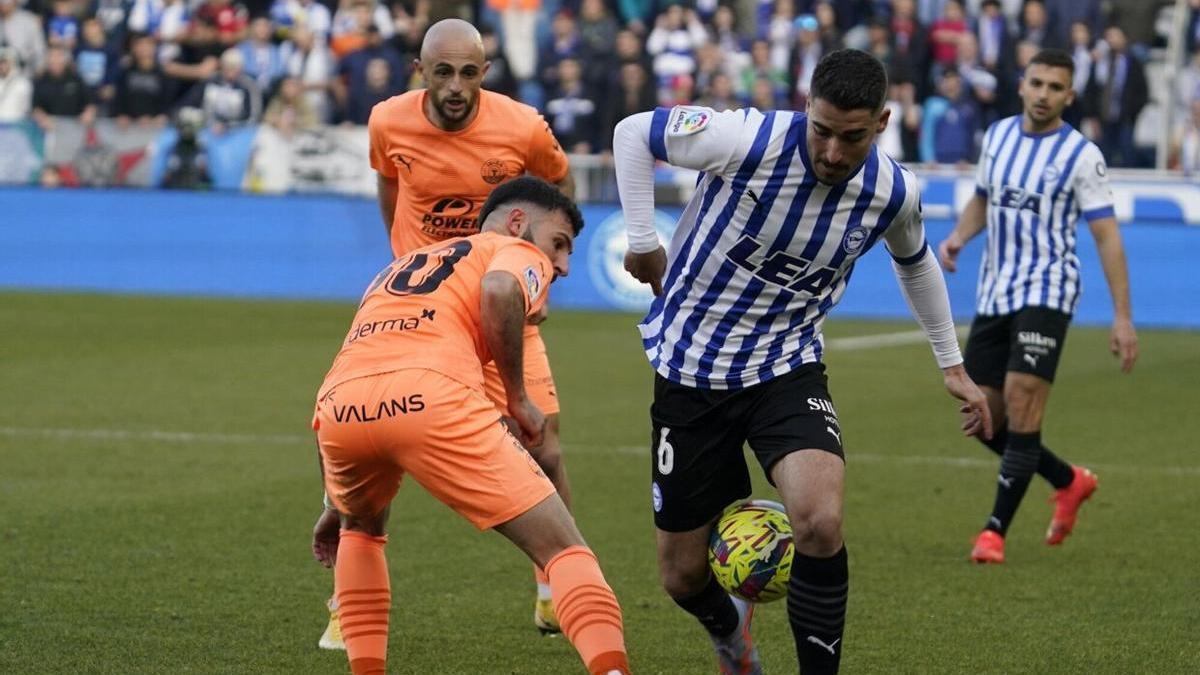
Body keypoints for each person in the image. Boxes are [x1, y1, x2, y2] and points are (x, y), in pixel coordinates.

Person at [612, 49, 991, 675]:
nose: (835, 153)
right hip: (690, 369)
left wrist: (951, 363)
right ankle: (731, 637)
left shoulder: (892, 190)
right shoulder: (746, 138)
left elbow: (916, 260)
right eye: (823, 131)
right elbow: (633, 133)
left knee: (819, 519)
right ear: (804, 109)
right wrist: (643, 239)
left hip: (785, 366)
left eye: (854, 137)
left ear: (883, 123)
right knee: (682, 577)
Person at [313, 17, 578, 649]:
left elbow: (558, 189)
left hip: (499, 293)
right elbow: (388, 180)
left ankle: (553, 589)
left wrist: (539, 264)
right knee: (371, 440)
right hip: (424, 313)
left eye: (468, 73)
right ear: (420, 72)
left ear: (485, 72)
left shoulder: (521, 126)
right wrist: (400, 255)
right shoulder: (388, 121)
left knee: (542, 444)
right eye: (443, 72)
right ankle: (343, 605)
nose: (456, 86)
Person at [311, 176, 629, 675]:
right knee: (563, 549)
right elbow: (501, 288)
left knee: (362, 531)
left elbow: (354, 366)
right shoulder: (510, 249)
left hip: (339, 408)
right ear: (519, 222)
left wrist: (335, 500)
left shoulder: (398, 267)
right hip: (431, 397)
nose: (562, 265)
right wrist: (519, 398)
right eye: (559, 244)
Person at [938, 48, 1138, 564]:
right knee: (985, 419)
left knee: (1023, 398)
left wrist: (1122, 317)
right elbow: (984, 197)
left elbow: (1107, 236)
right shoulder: (999, 136)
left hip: (1048, 289)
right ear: (1023, 86)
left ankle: (993, 532)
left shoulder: (1081, 155)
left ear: (1069, 96)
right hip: (996, 291)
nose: (1045, 94)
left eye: (1056, 87)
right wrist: (960, 236)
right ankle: (1068, 481)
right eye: (1038, 83)